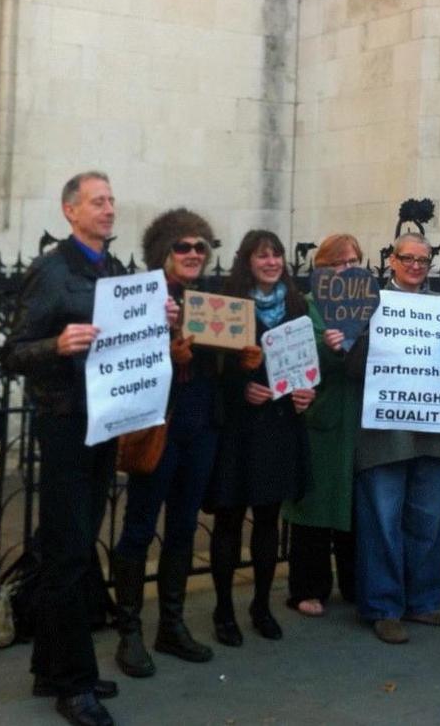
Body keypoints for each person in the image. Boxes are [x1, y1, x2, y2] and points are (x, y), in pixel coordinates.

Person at [2, 171, 158, 726]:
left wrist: (159, 321)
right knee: (69, 553)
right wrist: (56, 343)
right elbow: (13, 352)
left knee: (74, 544)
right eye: (98, 202)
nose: (110, 209)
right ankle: (74, 684)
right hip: (66, 422)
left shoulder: (114, 270)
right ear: (70, 211)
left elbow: (127, 339)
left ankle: (50, 667)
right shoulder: (50, 271)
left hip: (105, 421)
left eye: (113, 200)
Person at [109, 209, 223, 677]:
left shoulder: (212, 300)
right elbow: (118, 361)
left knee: (182, 529)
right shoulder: (140, 296)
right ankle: (129, 632)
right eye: (183, 246)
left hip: (200, 429)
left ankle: (170, 625)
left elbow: (227, 363)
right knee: (138, 529)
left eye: (201, 246)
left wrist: (247, 359)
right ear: (163, 252)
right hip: (157, 429)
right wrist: (163, 345)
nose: (194, 253)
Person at [345, 232, 440, 645]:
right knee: (381, 521)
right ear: (392, 261)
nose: (416, 265)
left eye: (424, 259)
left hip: (432, 433)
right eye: (408, 258)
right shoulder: (371, 306)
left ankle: (423, 600)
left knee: (428, 520)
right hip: (383, 433)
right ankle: (383, 607)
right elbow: (353, 364)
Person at [206, 229, 314, 646]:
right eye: (261, 256)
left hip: (280, 424)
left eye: (276, 255)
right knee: (230, 520)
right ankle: (222, 609)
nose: (270, 262)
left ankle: (261, 605)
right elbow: (210, 371)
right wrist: (240, 389)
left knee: (269, 521)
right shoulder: (230, 306)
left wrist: (307, 392)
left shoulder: (295, 304)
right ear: (246, 262)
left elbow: (304, 364)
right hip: (238, 428)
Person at [282, 234, 364, 616]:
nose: (347, 270)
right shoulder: (308, 306)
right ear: (323, 268)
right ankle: (307, 587)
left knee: (353, 508)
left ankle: (354, 582)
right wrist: (328, 348)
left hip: (359, 418)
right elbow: (300, 355)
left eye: (353, 262)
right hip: (323, 416)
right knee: (314, 508)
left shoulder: (367, 307)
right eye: (339, 263)